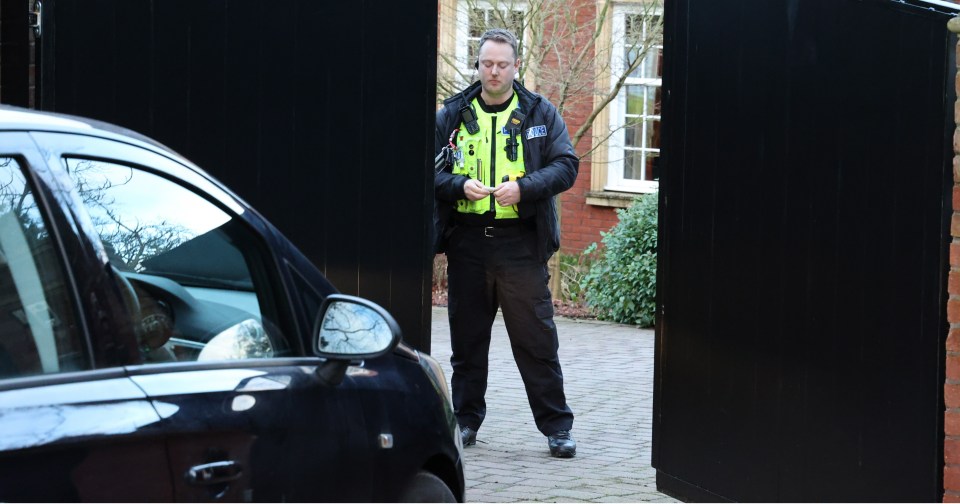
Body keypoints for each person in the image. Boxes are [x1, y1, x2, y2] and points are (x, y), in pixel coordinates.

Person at [433, 28, 579, 458]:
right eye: (486, 64)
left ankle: (557, 427)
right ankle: (465, 421)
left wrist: (525, 188)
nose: (494, 72)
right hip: (468, 245)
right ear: (476, 66)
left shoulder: (539, 112)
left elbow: (567, 165)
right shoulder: (452, 115)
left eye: (502, 64)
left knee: (537, 342)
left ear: (517, 67)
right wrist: (458, 185)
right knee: (468, 342)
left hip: (520, 246)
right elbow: (426, 172)